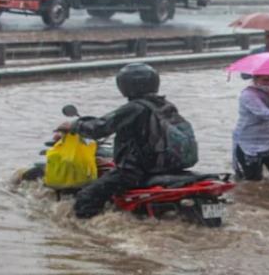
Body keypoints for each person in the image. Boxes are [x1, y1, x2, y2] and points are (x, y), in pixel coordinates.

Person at [56, 63, 184, 219]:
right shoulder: (165, 106)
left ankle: (88, 235)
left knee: (86, 196)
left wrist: (75, 125)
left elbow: (100, 128)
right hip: (165, 168)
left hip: (134, 172)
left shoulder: (135, 107)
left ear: (125, 85)